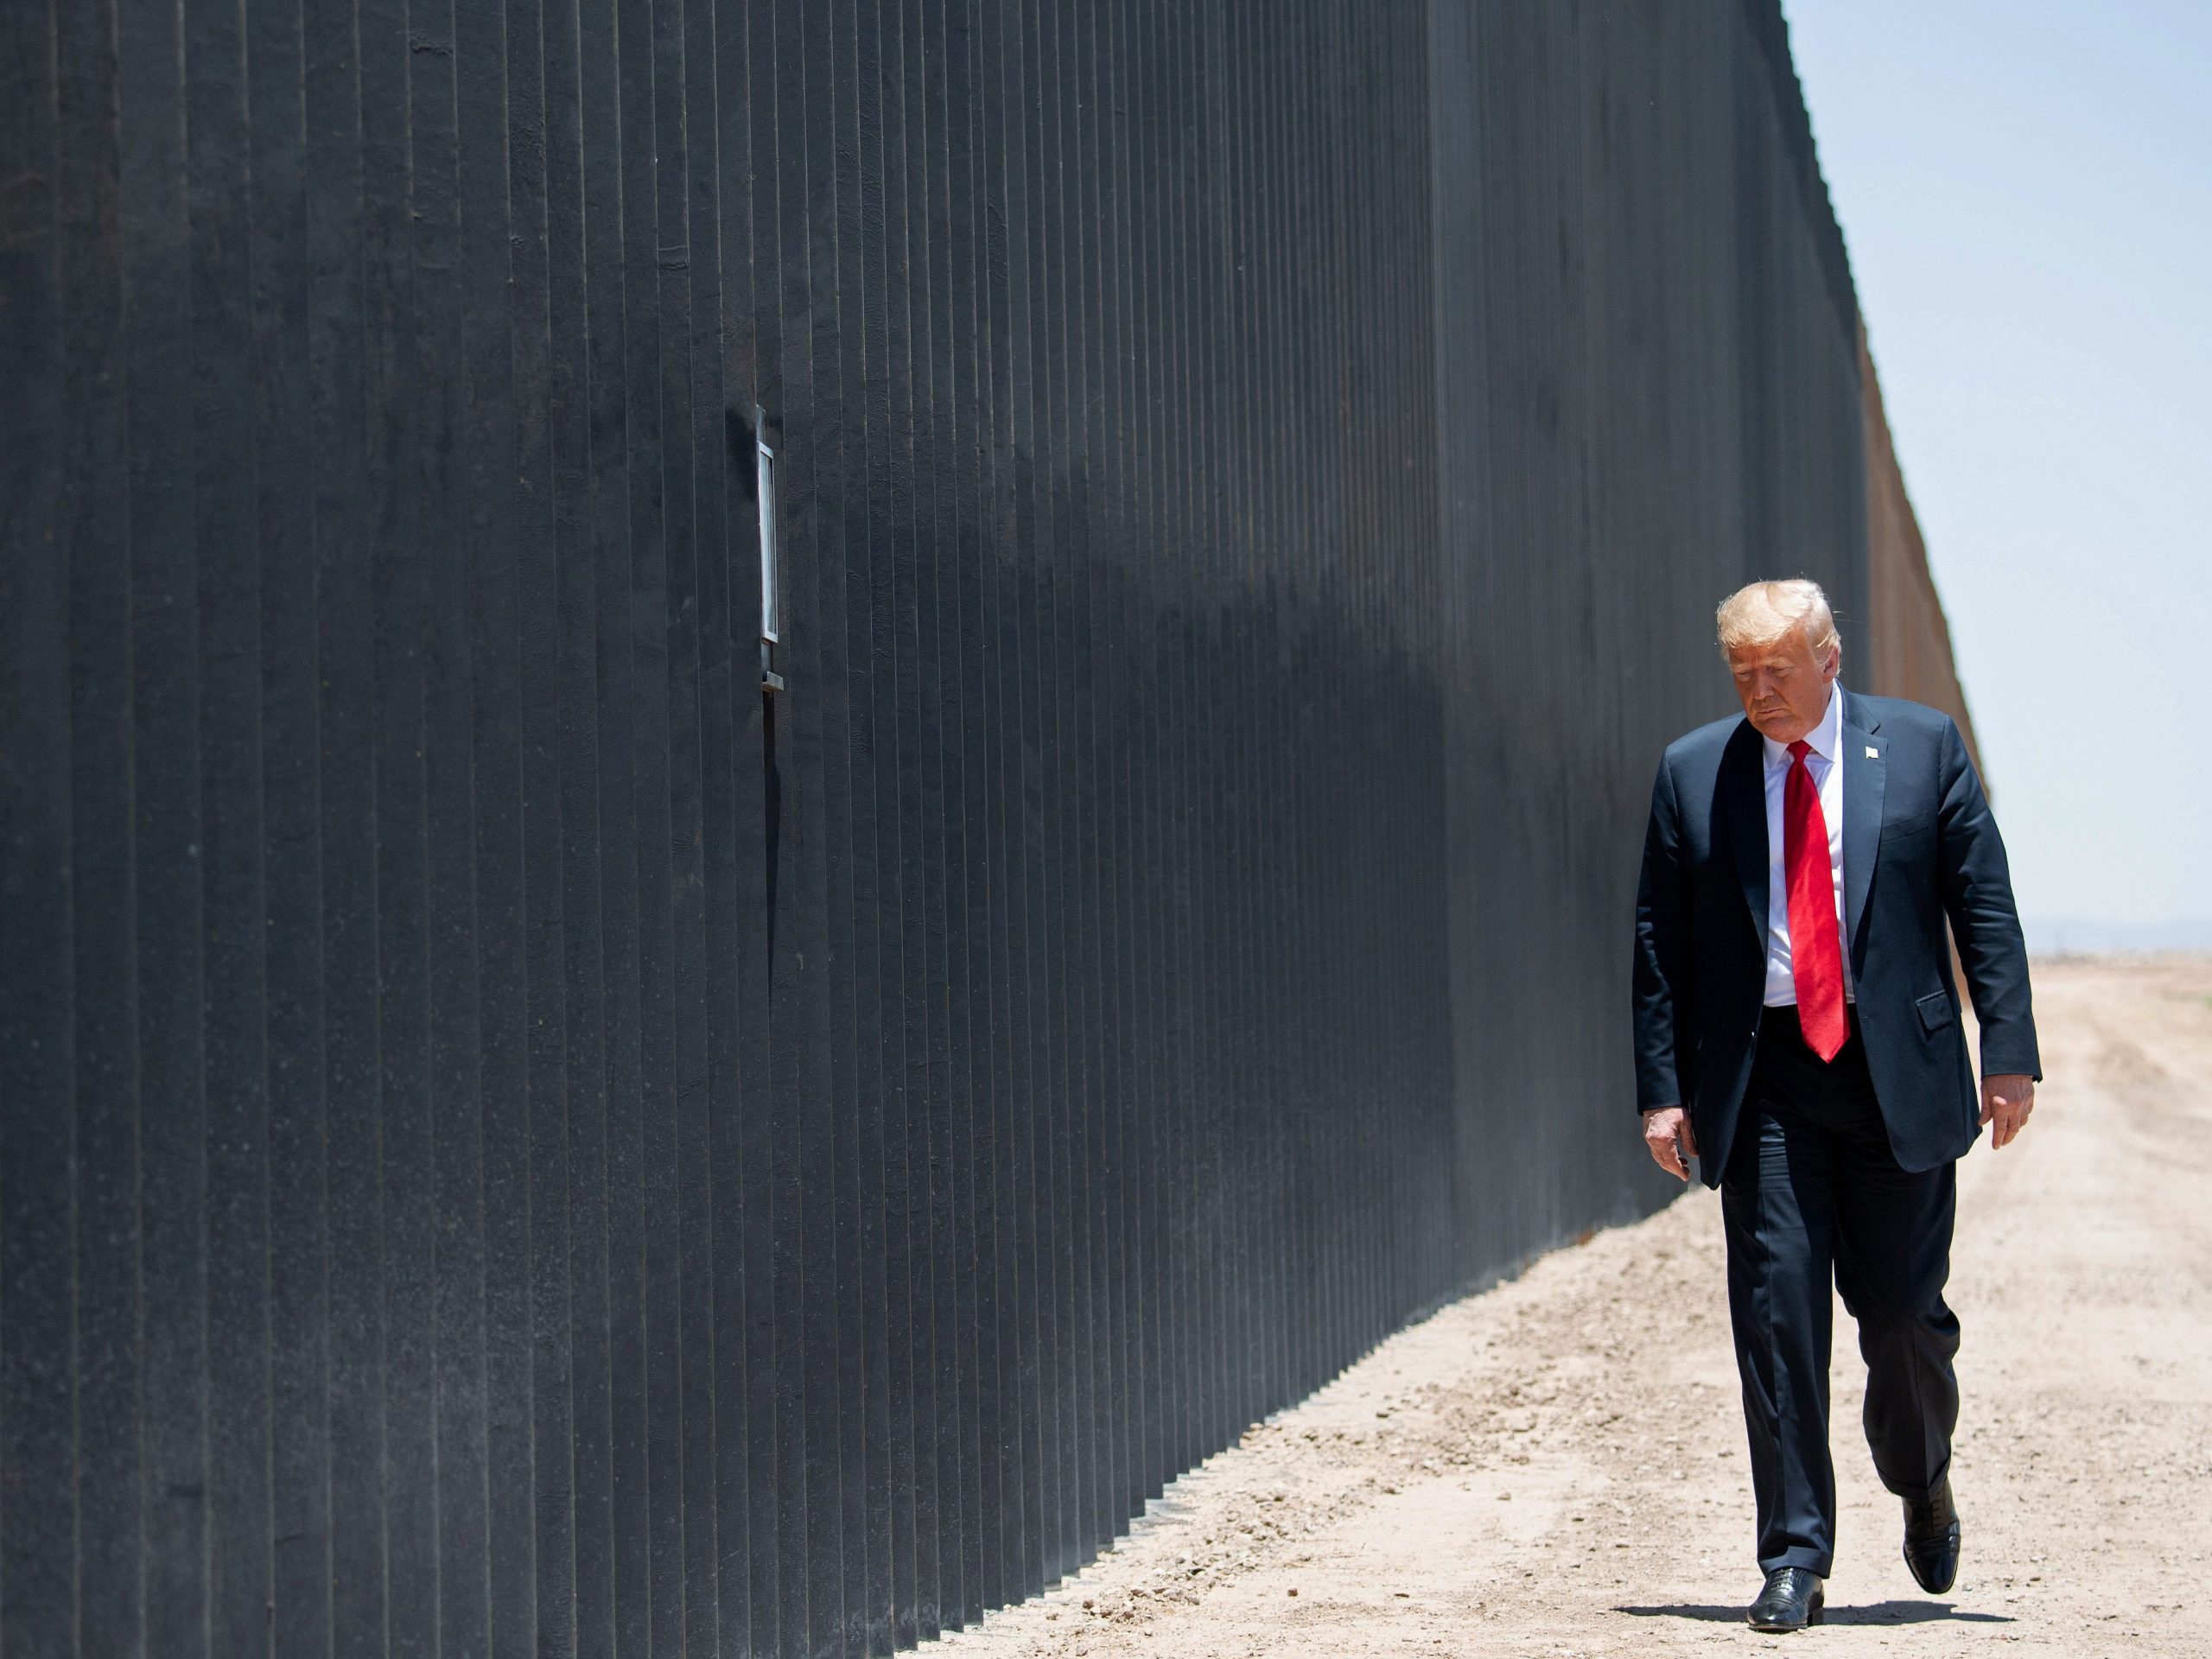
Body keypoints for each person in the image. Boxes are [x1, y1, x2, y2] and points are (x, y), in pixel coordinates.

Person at [1630, 579, 2040, 1632]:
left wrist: (2009, 1054)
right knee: (1776, 1317)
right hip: (1762, 1077)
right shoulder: (1693, 773)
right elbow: (1658, 948)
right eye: (1742, 676)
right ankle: (1794, 1558)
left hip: (1890, 1070)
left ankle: (1921, 1472)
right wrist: (1664, 1092)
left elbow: (1980, 904)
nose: (1760, 692)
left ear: (1830, 659)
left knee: (1903, 1318)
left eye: (1778, 671)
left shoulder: (1921, 748)